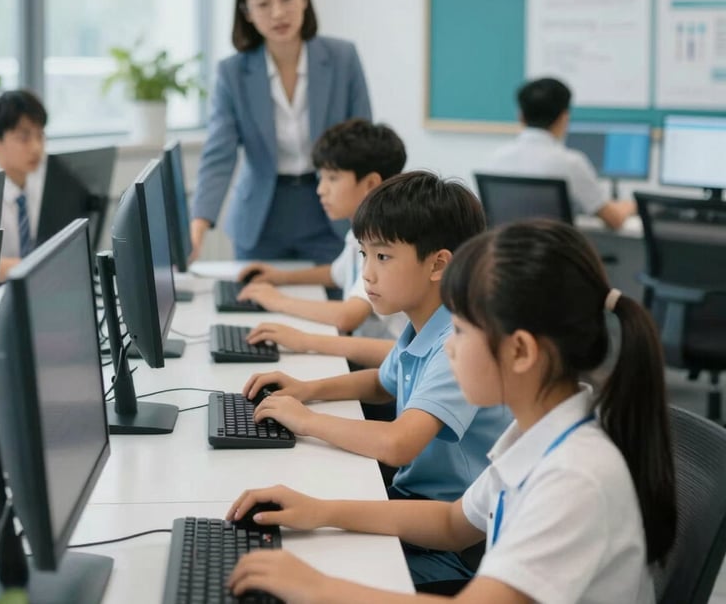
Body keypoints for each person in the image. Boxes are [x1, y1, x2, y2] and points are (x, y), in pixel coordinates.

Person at [227, 219, 677, 603]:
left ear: (520, 351)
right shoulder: (535, 435)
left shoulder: (576, 477)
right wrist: (321, 511)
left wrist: (319, 588)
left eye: (460, 330)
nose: (448, 347)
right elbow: (450, 523)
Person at [241, 171, 510, 586]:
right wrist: (308, 390)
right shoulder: (426, 324)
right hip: (417, 505)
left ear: (438, 264)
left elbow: (398, 444)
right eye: (364, 254)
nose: (367, 274)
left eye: (382, 257)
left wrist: (307, 420)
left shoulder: (459, 341)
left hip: (451, 545)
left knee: (305, 560)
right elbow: (382, 383)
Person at [189, 0, 372, 263]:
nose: (277, 13)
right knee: (255, 295)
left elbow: (365, 145)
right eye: (262, 3)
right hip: (260, 219)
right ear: (247, 12)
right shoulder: (232, 74)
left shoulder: (343, 58)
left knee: (336, 293)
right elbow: (218, 156)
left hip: (331, 213)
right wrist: (197, 229)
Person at [239, 118, 408, 369]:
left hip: (389, 369)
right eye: (321, 178)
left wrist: (278, 302)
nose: (321, 190)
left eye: (332, 178)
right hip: (373, 360)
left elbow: (347, 316)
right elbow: (336, 273)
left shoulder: (385, 239)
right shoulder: (359, 232)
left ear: (370, 184)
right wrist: (280, 277)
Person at [489, 76, 636, 229]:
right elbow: (614, 220)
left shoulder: (496, 159)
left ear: (520, 116)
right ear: (564, 118)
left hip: (506, 244)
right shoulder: (571, 163)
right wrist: (631, 206)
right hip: (554, 245)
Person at [0, 89, 48, 281]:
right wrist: (33, 265)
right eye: (24, 138)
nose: (36, 147)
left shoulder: (42, 186)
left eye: (40, 135)